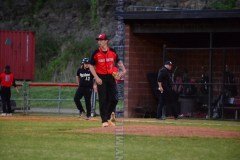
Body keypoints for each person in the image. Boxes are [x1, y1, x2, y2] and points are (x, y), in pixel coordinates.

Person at [89, 33, 126, 127]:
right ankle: (104, 120)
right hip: (101, 77)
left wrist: (123, 71)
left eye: (101, 40)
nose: (99, 42)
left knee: (114, 98)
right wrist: (96, 78)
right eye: (98, 40)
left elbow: (118, 62)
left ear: (106, 41)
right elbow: (90, 66)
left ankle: (108, 116)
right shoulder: (96, 52)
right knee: (103, 99)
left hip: (111, 77)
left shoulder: (112, 51)